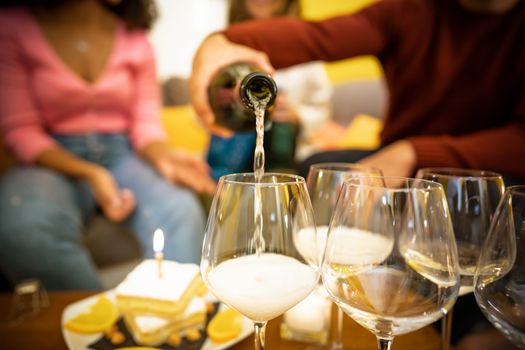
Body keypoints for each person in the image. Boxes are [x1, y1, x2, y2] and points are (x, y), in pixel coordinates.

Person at [189, 0, 525, 347]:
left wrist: (413, 151)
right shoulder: (411, 9)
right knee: (314, 167)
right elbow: (318, 37)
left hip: (498, 174)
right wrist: (219, 42)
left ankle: (456, 333)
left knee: (484, 217)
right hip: (399, 155)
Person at [0, 0, 215, 291]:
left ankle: (174, 317)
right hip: (48, 157)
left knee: (181, 210)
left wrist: (163, 155)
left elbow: (145, 122)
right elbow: (21, 130)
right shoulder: (13, 26)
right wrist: (91, 173)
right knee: (22, 226)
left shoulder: (134, 37)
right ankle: (94, 322)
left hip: (122, 152)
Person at [207, 0, 333, 179]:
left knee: (281, 135)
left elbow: (322, 109)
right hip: (234, 147)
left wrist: (296, 116)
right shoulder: (225, 45)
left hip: (285, 147)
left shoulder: (306, 46)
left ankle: (277, 185)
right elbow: (205, 107)